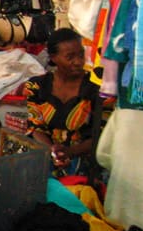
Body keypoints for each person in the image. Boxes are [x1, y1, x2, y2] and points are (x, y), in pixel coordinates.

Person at [25, 27, 100, 177]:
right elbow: (36, 128)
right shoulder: (37, 86)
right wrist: (53, 152)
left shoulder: (96, 88)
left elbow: (101, 136)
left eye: (81, 55)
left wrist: (70, 153)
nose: (78, 62)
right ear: (53, 58)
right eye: (70, 57)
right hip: (49, 154)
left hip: (84, 158)